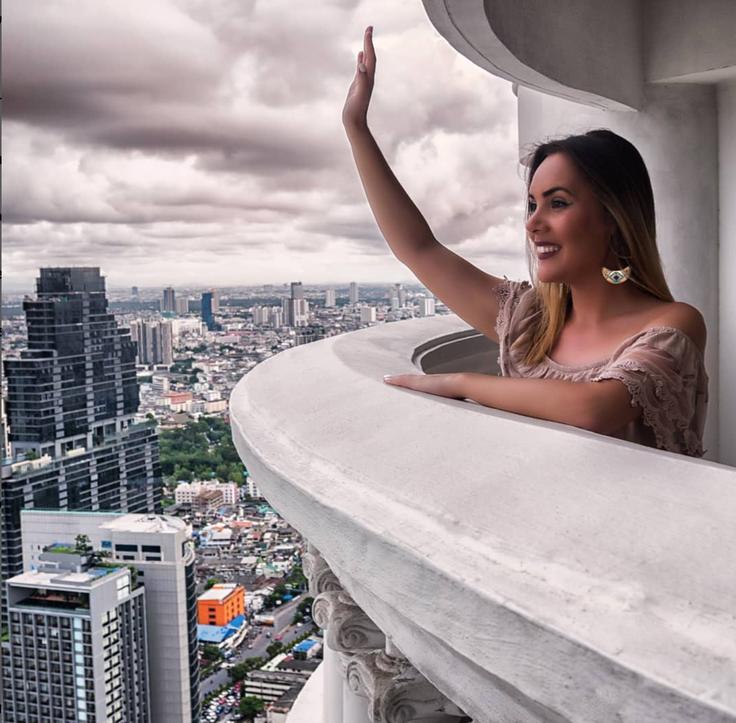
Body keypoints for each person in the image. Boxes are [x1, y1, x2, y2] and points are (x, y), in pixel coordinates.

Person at [342, 27, 708, 457]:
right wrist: (355, 128)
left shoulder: (672, 326)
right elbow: (419, 249)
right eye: (532, 204)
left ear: (613, 217)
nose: (533, 223)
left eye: (557, 203)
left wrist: (461, 383)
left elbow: (595, 408)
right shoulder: (531, 320)